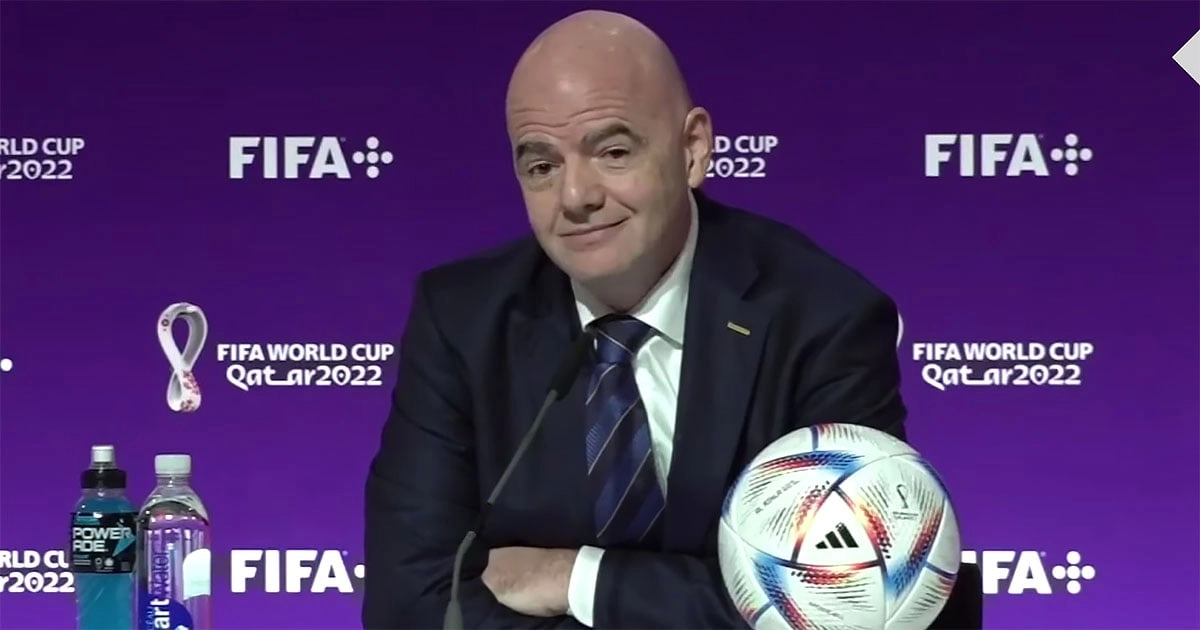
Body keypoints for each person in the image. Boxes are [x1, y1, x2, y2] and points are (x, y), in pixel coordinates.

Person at [363, 9, 906, 629]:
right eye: (542, 166)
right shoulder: (463, 320)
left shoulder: (822, 318)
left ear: (692, 150)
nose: (576, 197)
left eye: (613, 152)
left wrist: (579, 579)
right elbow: (411, 599)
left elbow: (844, 597)